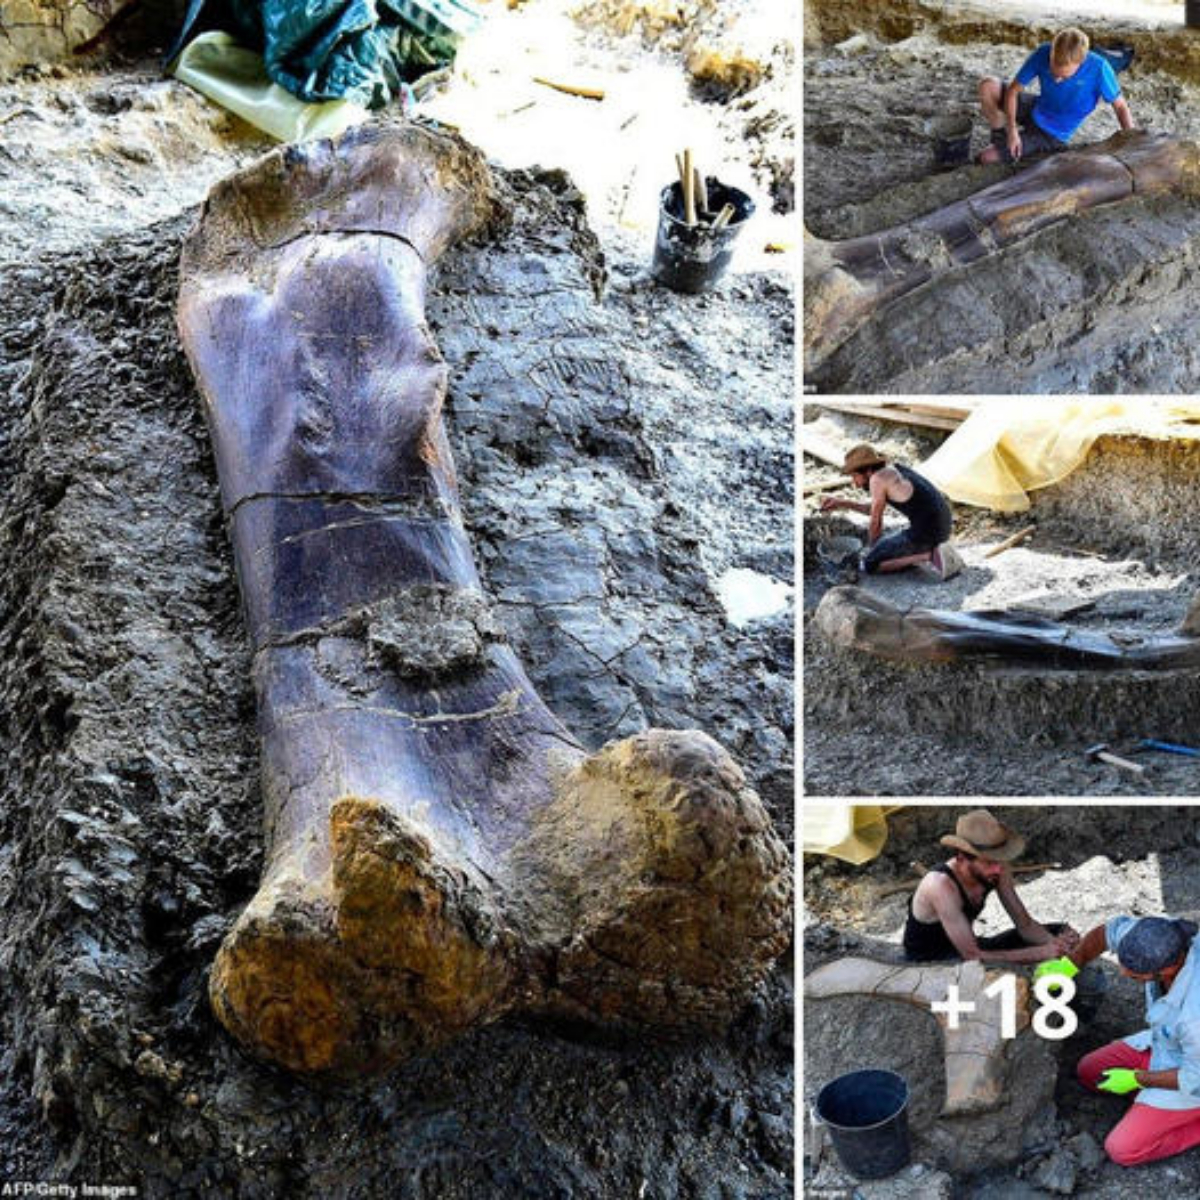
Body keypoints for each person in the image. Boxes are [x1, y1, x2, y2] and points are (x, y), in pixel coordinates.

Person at [1038, 915, 1200, 1166]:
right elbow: (1107, 933)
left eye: (1134, 975)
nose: (1122, 972)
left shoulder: (1194, 1016)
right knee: (1090, 1072)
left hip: (1194, 1075)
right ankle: (1150, 1102)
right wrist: (1068, 966)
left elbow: (1194, 1077)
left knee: (1122, 1149)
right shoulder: (1155, 938)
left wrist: (1136, 1078)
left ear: (1167, 969)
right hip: (1169, 1044)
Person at [903, 810, 1079, 964]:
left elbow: (1025, 925)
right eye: (989, 862)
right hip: (933, 961)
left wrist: (1054, 944)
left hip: (969, 947)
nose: (998, 869)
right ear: (962, 858)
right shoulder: (939, 885)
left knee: (1060, 931)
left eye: (999, 860)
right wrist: (1039, 953)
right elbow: (972, 956)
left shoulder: (997, 869)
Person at [978, 27, 1134, 165]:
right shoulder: (1043, 52)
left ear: (1081, 62)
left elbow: (1120, 107)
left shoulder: (1099, 68)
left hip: (1052, 135)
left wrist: (1133, 142)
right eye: (1053, 73)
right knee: (988, 86)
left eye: (1064, 77)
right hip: (1036, 108)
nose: (1057, 80)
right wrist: (1012, 130)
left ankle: (1015, 149)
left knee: (986, 157)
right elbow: (1013, 91)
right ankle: (999, 136)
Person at [820, 443, 961, 580]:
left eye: (855, 476)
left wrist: (871, 552)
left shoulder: (877, 479)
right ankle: (934, 548)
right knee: (885, 546)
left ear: (868, 470)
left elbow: (876, 521)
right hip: (942, 524)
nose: (855, 483)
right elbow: (871, 509)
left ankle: (930, 555)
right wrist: (840, 503)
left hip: (928, 532)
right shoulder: (892, 471)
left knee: (870, 565)